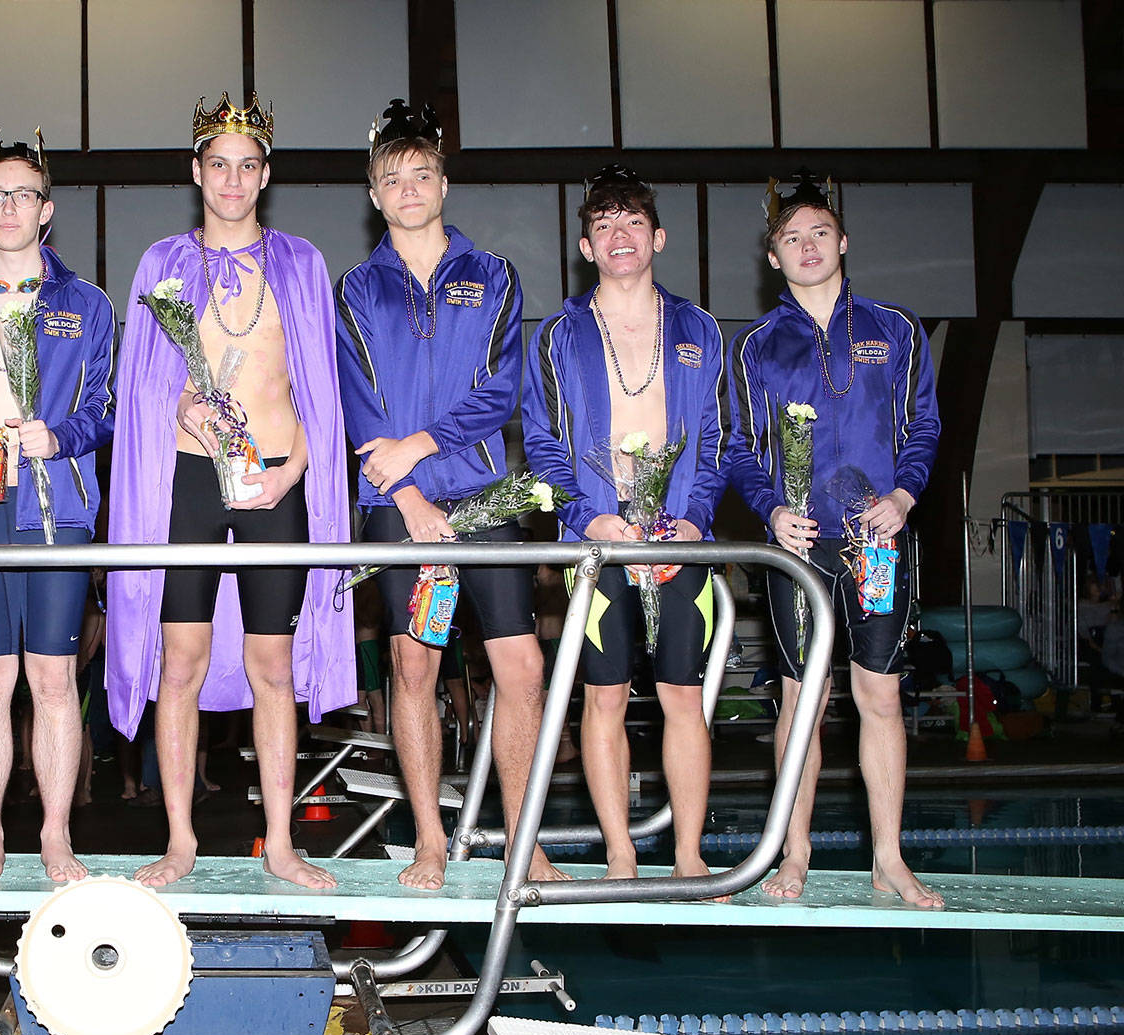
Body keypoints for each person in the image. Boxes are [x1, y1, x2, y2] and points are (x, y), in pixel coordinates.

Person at [106, 93, 353, 889]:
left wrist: (300, 466)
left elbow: (323, 388)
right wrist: (178, 402)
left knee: (271, 664)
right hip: (187, 477)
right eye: (220, 165)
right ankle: (179, 838)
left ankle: (280, 841)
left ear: (266, 175)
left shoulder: (303, 263)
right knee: (180, 660)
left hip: (276, 476)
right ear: (196, 173)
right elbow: (139, 383)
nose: (233, 180)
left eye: (248, 167)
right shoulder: (161, 265)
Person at [334, 99, 555, 888]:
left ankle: (525, 838)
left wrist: (424, 447)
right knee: (414, 667)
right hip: (402, 508)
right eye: (392, 179)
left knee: (521, 669)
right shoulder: (356, 288)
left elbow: (503, 390)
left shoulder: (493, 276)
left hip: (485, 497)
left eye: (421, 174)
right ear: (374, 195)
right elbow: (358, 404)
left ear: (444, 183)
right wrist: (413, 500)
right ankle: (429, 837)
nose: (408, 189)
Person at [726, 173, 944, 908]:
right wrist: (769, 511)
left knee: (880, 693)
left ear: (843, 242)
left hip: (876, 539)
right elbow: (739, 447)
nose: (808, 245)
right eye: (792, 237)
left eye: (820, 232)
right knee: (801, 698)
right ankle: (795, 852)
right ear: (773, 257)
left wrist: (906, 495)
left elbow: (924, 426)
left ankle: (889, 855)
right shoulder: (756, 346)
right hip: (799, 544)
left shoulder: (896, 328)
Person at [521, 165, 729, 888]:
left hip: (679, 541)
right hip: (599, 544)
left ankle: (690, 853)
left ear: (658, 238)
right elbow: (543, 443)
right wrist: (588, 515)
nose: (619, 235)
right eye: (604, 225)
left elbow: (714, 436)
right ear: (585, 246)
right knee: (603, 696)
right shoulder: (559, 335)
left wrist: (695, 518)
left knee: (682, 696)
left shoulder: (698, 328)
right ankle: (620, 852)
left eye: (633, 222)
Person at [0, 126, 115, 883]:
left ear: (47, 211)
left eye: (25, 195)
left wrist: (59, 435)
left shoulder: (89, 304)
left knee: (52, 677)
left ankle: (55, 834)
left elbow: (106, 407)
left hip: (57, 506)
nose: (10, 207)